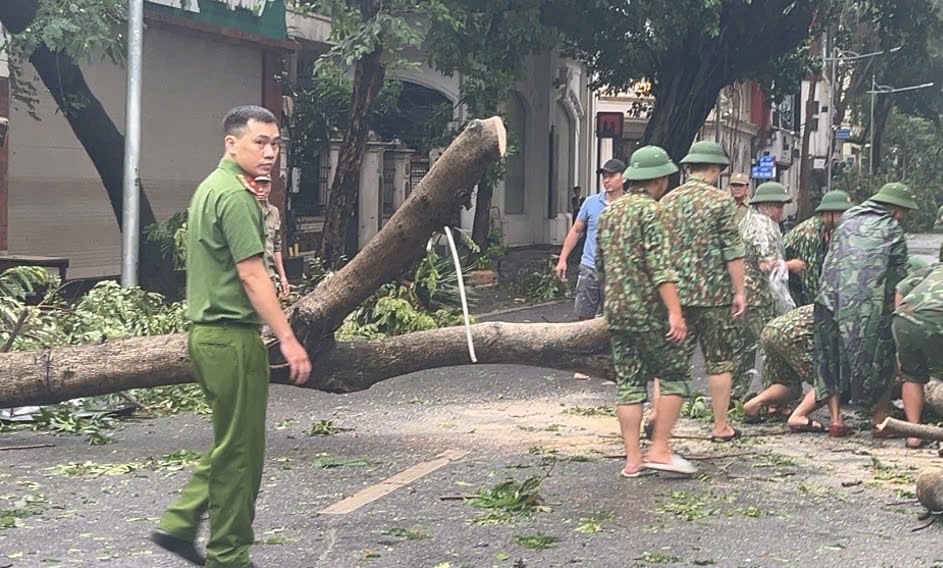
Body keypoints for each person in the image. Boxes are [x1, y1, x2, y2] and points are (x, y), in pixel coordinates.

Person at [151, 105, 312, 568]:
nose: (270, 153)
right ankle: (230, 556)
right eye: (259, 142)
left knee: (232, 443)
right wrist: (287, 336)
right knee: (242, 456)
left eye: (276, 144)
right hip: (230, 335)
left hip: (207, 335)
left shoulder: (210, 188)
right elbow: (252, 275)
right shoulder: (237, 197)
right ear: (232, 144)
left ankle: (181, 524)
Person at [787, 182, 917, 438]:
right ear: (894, 208)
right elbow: (898, 278)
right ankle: (879, 420)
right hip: (866, 306)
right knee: (882, 359)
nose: (903, 217)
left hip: (828, 300)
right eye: (904, 211)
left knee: (829, 359)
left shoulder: (847, 219)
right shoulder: (892, 229)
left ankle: (837, 420)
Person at [596, 145, 695, 477]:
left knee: (629, 383)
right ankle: (660, 449)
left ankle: (633, 459)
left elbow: (601, 265)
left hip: (617, 309)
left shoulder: (609, 212)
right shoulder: (653, 212)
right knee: (676, 376)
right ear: (661, 180)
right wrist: (675, 313)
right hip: (649, 310)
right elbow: (661, 267)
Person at [660, 141, 746, 443]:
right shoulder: (721, 202)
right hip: (715, 297)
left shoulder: (668, 200)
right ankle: (721, 425)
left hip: (676, 298)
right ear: (714, 169)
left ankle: (659, 420)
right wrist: (740, 292)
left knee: (672, 363)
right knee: (719, 361)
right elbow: (733, 251)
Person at [556, 159, 625, 380]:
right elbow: (576, 231)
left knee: (614, 317)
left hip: (617, 270)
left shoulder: (631, 205)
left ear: (623, 177)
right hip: (590, 265)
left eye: (612, 175)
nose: (607, 180)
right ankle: (584, 363)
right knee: (585, 315)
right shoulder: (591, 203)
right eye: (604, 175)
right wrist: (563, 259)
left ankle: (612, 362)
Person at [732, 181, 799, 399]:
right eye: (779, 206)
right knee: (770, 346)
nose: (782, 211)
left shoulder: (750, 222)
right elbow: (766, 264)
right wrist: (792, 265)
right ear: (767, 205)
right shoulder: (764, 229)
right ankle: (772, 396)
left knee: (743, 348)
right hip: (759, 297)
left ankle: (733, 394)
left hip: (743, 293)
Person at [893, 261, 943, 448]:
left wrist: (900, 313)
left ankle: (914, 434)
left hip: (905, 318)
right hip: (938, 317)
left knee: (911, 376)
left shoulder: (932, 268)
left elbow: (901, 288)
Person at [783, 190, 854, 306]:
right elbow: (810, 280)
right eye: (841, 214)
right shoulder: (810, 234)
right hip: (788, 284)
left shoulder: (828, 231)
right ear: (828, 213)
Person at [252, 175, 290, 298]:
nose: (261, 189)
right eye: (257, 185)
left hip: (269, 275)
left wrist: (283, 278)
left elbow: (276, 247)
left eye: (265, 185)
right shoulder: (243, 210)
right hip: (249, 276)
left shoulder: (274, 212)